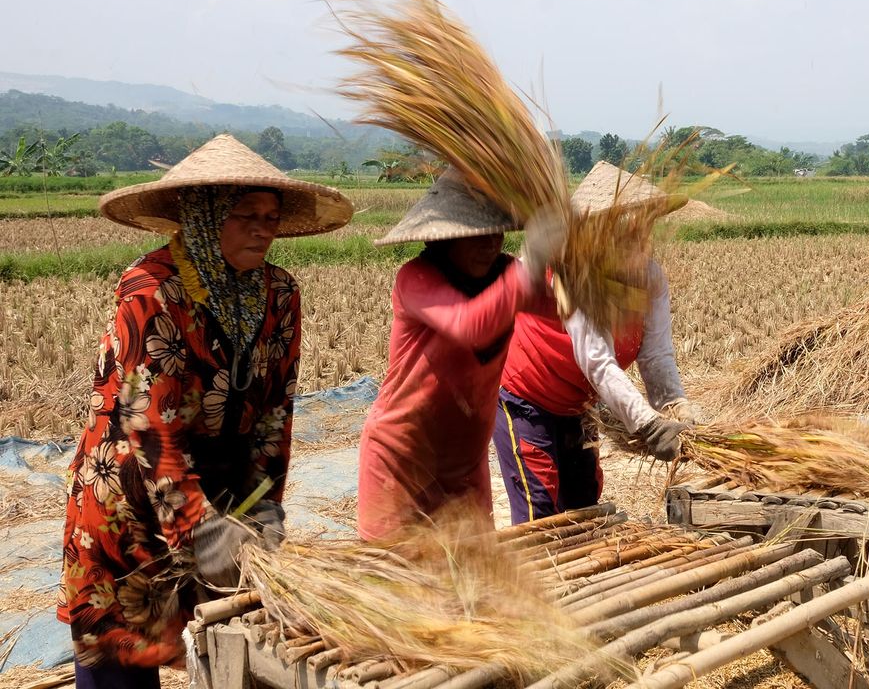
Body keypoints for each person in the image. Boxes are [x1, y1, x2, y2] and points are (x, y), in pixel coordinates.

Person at [57, 134, 352, 684]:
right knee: (122, 649)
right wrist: (200, 527)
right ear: (205, 216)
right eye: (246, 215)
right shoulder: (152, 291)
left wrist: (265, 503)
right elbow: (148, 426)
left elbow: (274, 409)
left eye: (271, 215)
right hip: (134, 494)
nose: (264, 228)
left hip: (225, 488)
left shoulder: (279, 292)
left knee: (227, 645)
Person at [494, 162, 700, 524]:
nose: (638, 237)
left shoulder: (650, 278)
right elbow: (598, 361)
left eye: (643, 227)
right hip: (528, 399)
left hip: (579, 405)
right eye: (625, 229)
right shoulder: (573, 273)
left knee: (584, 501)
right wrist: (648, 425)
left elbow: (656, 355)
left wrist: (675, 407)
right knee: (539, 510)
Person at [357, 168, 554, 540]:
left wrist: (591, 272)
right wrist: (526, 279)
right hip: (401, 463)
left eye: (495, 230)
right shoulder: (417, 277)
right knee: (396, 584)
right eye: (476, 233)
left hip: (464, 466)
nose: (490, 243)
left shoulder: (507, 273)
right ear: (444, 236)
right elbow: (470, 324)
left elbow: (563, 310)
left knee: (471, 584)